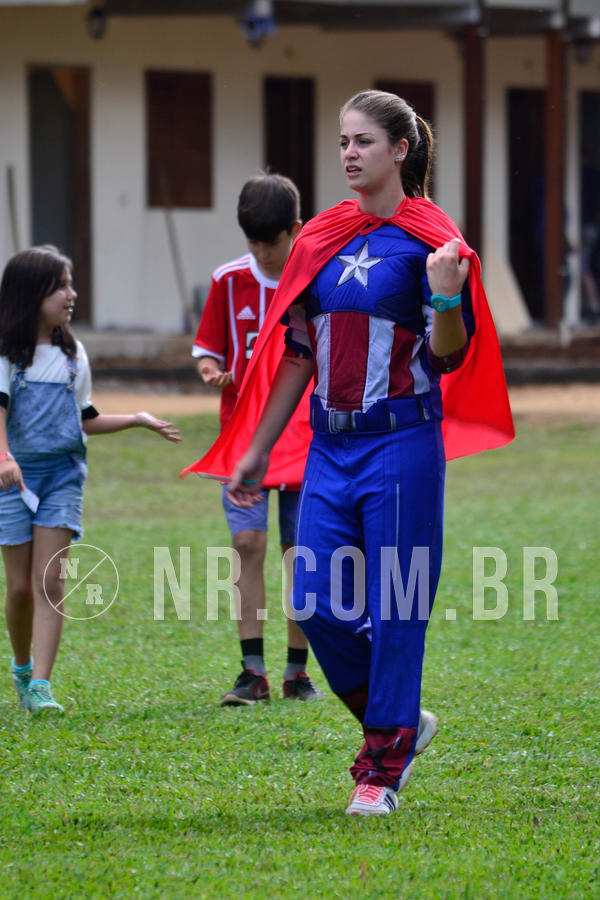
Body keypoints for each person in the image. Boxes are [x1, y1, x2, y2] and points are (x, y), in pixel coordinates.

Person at [190, 90, 514, 816]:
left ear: (401, 150)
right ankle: (398, 720)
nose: (348, 154)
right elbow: (298, 356)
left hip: (403, 440)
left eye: (363, 141)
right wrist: (257, 449)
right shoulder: (320, 240)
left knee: (398, 606)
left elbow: (449, 355)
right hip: (328, 450)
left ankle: (381, 767)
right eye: (342, 141)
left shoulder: (435, 239)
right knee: (313, 601)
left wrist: (443, 297)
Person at [0, 245, 181, 714]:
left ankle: (41, 685)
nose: (71, 294)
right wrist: (3, 457)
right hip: (12, 479)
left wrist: (138, 418)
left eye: (70, 284)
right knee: (18, 588)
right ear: (29, 294)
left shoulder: (72, 355)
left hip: (62, 477)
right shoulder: (6, 354)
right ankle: (21, 666)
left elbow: (85, 418)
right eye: (60, 286)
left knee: (51, 582)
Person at [190, 173, 322, 706]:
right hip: (244, 440)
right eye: (254, 243)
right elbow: (208, 349)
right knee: (248, 544)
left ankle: (297, 673)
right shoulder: (229, 281)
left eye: (272, 242)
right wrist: (208, 368)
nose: (263, 253)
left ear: (295, 229)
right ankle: (252, 673)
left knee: (302, 554)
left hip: (307, 438)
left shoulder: (316, 279)